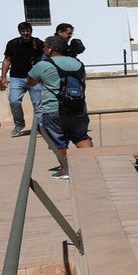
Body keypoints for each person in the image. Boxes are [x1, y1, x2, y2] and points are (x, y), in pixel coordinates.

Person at [26, 35, 92, 180]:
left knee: (59, 141)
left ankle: (65, 169)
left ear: (50, 49)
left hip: (54, 109)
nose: (43, 50)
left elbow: (30, 82)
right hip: (78, 107)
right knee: (81, 137)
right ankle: (89, 166)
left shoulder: (43, 65)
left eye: (44, 47)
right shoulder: (78, 63)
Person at [0, 22, 46, 137]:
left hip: (34, 78)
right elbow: (7, 60)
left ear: (31, 31)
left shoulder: (38, 43)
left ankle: (40, 127)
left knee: (38, 105)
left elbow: (45, 58)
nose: (25, 33)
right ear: (19, 32)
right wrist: (3, 77)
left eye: (28, 30)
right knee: (14, 101)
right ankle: (19, 124)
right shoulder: (12, 44)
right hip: (16, 78)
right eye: (23, 31)